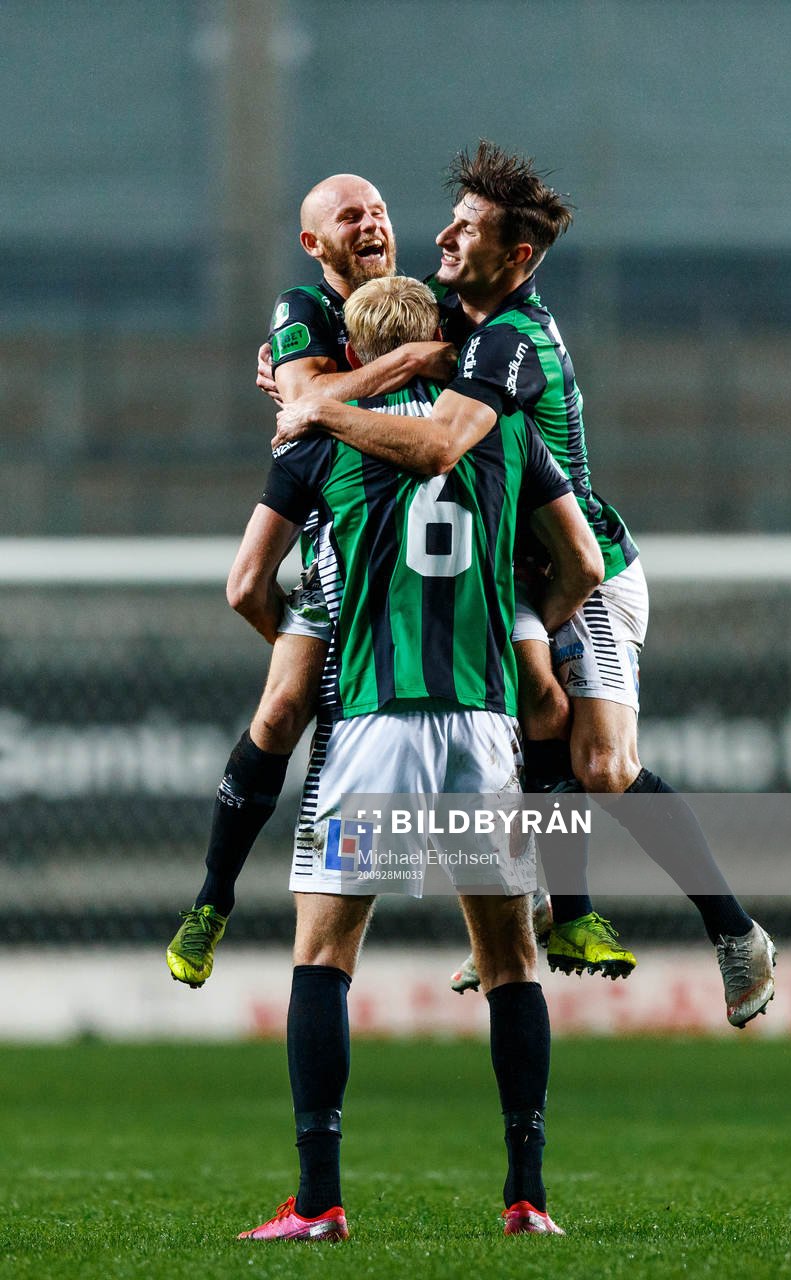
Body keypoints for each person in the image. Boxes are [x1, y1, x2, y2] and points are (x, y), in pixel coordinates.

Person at [271, 142, 777, 1030]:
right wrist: (323, 382)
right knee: (518, 734)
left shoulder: (513, 338)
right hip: (503, 574)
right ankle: (546, 913)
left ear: (519, 256)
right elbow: (374, 365)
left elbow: (435, 445)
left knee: (601, 765)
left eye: (468, 228)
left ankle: (735, 932)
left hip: (586, 573)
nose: (442, 236)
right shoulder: (453, 316)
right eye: (452, 218)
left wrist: (316, 404)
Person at [233, 275, 603, 1240]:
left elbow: (246, 587)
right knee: (510, 957)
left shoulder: (322, 439)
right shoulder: (505, 431)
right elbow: (584, 566)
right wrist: (520, 620)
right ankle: (526, 1196)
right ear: (440, 336)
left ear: (353, 351)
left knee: (324, 956)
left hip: (370, 721)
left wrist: (312, 653)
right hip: (480, 724)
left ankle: (318, 1201)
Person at [166, 175, 456, 987]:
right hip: (344, 543)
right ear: (314, 244)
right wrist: (402, 364)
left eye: (379, 211)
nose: (371, 223)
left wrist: (332, 389)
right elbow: (303, 406)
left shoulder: (433, 295)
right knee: (287, 702)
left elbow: (479, 368)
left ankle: (552, 907)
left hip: (448, 553)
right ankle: (213, 899)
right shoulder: (304, 310)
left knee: (535, 690)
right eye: (348, 216)